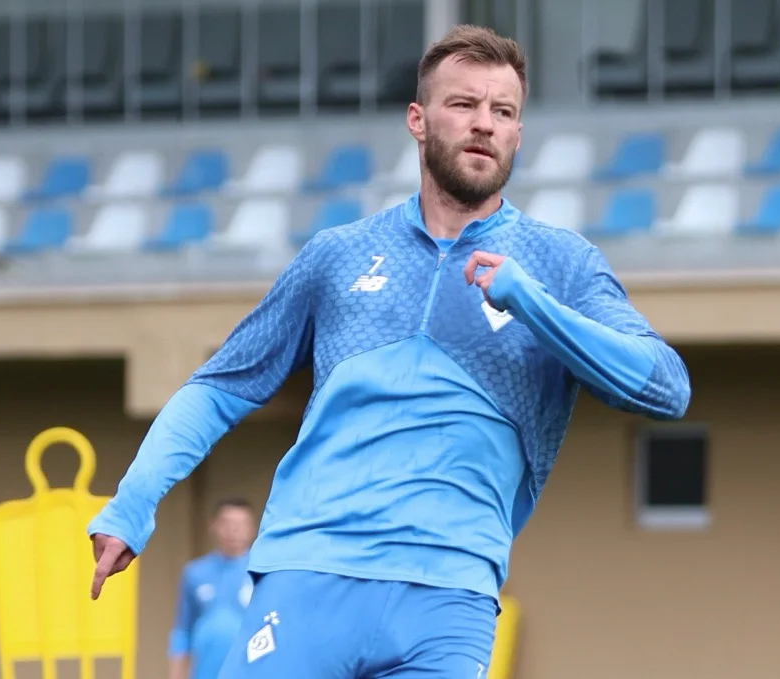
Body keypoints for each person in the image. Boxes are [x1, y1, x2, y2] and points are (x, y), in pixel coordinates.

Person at [86, 23, 691, 679]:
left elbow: (665, 387)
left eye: (503, 111)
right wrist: (135, 499)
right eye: (463, 104)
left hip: (449, 598)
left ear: (518, 133)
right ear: (417, 119)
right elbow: (219, 387)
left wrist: (533, 304)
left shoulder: (560, 263)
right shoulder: (336, 253)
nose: (484, 123)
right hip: (307, 574)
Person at [167, 498, 258, 679]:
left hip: (251, 670)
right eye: (227, 523)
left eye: (241, 524)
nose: (233, 530)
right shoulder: (195, 572)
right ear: (213, 525)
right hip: (205, 671)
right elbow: (183, 630)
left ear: (252, 528)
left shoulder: (262, 572)